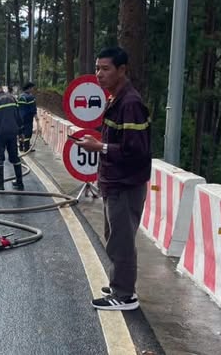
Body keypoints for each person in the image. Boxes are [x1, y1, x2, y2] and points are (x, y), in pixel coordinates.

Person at [77, 47, 150, 312]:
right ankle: (119, 284)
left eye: (105, 69)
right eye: (97, 68)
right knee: (115, 237)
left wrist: (100, 147)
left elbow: (137, 150)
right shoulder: (115, 99)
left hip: (125, 184)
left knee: (122, 241)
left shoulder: (130, 103)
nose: (99, 74)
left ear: (122, 70)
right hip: (113, 182)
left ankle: (125, 295)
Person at [17, 82, 37, 152]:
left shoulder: (19, 96)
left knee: (21, 131)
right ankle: (26, 148)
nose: (33, 89)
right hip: (27, 118)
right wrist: (36, 118)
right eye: (32, 88)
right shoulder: (30, 97)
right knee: (27, 132)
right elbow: (33, 109)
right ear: (29, 88)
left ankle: (21, 147)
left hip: (19, 117)